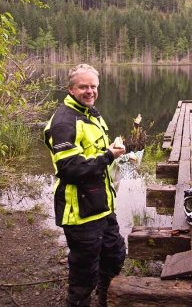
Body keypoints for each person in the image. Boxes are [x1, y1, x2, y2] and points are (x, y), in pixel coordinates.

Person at [44, 64, 126, 307]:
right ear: (71, 89)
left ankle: (105, 297)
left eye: (93, 86)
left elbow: (93, 154)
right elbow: (70, 168)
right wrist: (108, 156)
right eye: (83, 87)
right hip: (79, 211)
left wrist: (113, 153)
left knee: (114, 255)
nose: (89, 91)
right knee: (83, 274)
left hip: (101, 205)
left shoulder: (91, 113)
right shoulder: (63, 121)